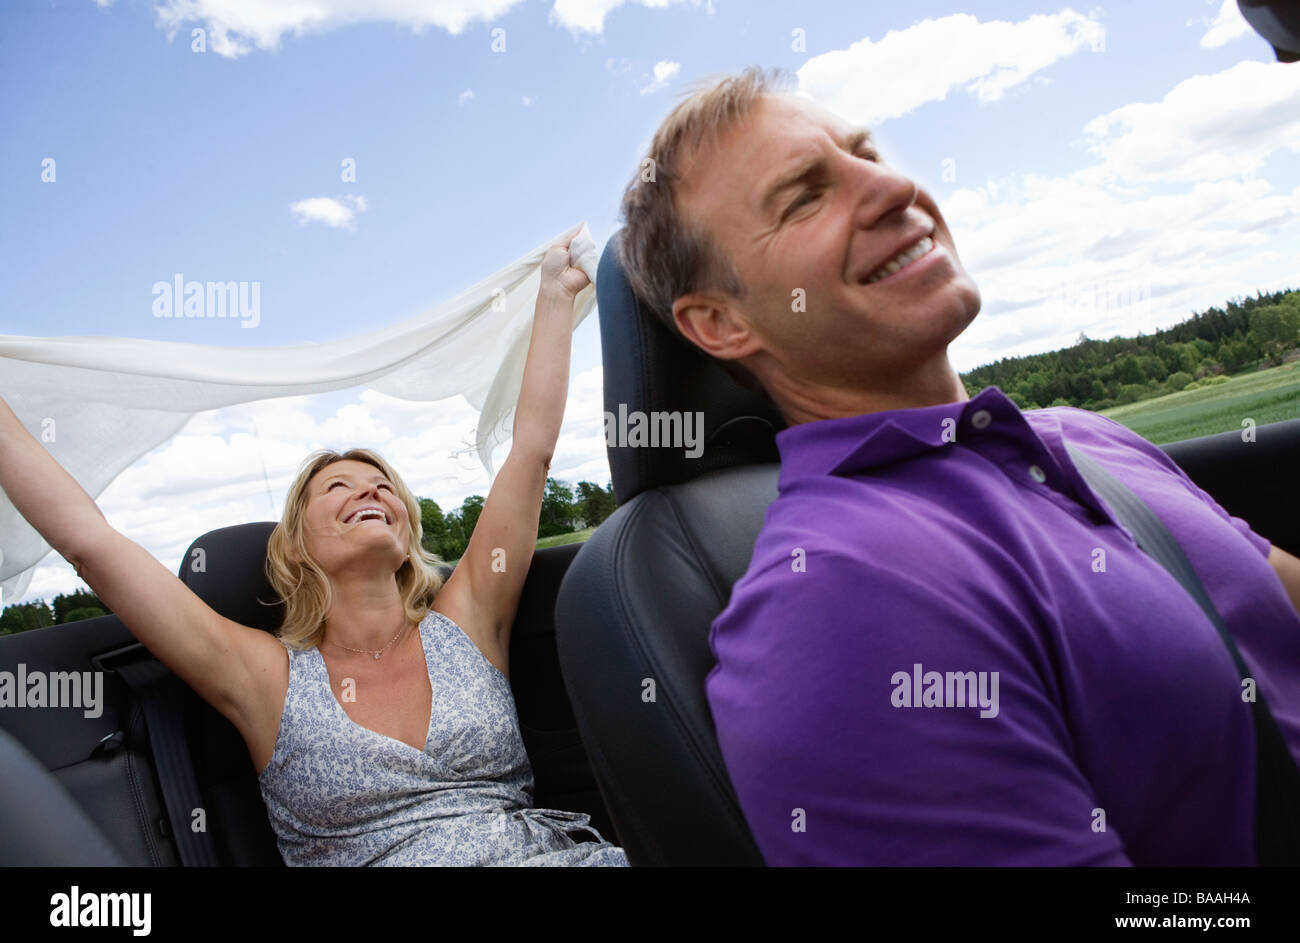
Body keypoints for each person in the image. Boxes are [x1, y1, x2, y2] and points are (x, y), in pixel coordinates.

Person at [616, 65, 1300, 865]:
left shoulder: (1082, 435)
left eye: (867, 153)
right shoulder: (836, 603)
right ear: (721, 323)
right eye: (804, 195)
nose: (893, 186)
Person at [0, 226, 628, 866]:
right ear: (295, 545)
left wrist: (556, 295)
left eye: (384, 485)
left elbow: (530, 453)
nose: (373, 491)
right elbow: (90, 543)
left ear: (406, 532)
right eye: (339, 486)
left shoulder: (469, 621)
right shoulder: (263, 676)